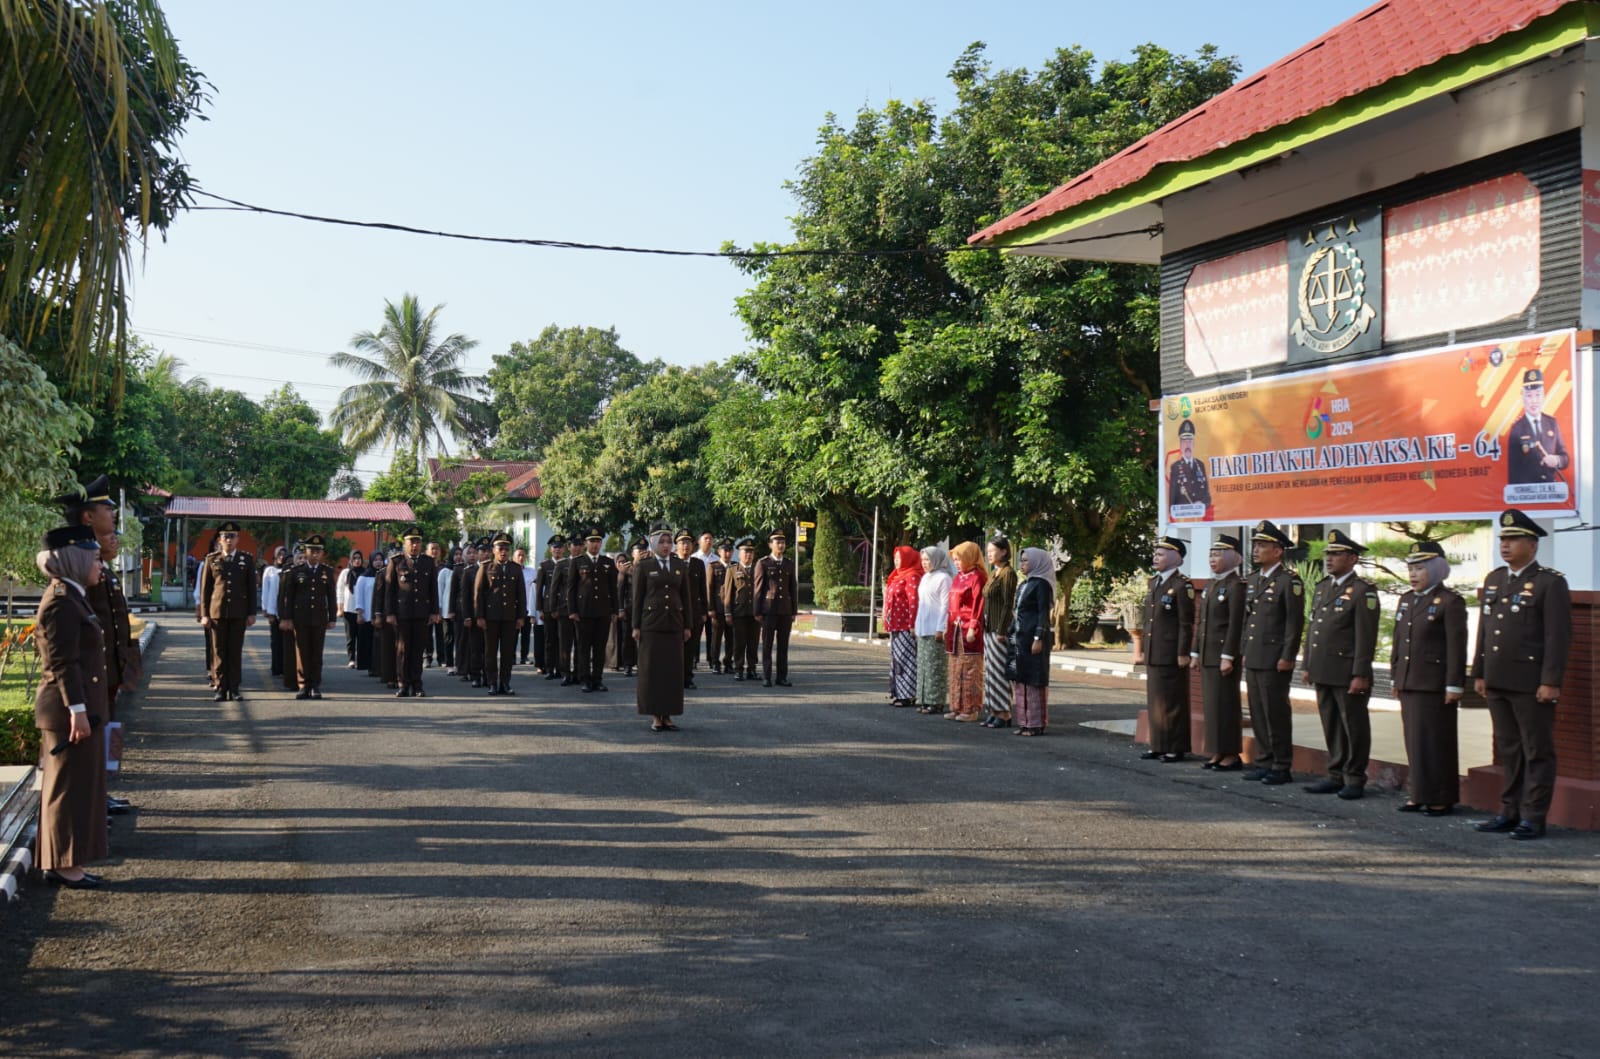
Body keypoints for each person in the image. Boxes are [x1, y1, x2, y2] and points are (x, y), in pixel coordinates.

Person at [1471, 508, 1572, 840]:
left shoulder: (1549, 583)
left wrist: (1550, 681)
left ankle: (1533, 816)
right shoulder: (1495, 579)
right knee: (1509, 748)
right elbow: (1485, 630)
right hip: (1498, 680)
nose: (1505, 545)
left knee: (1536, 749)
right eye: (1503, 539)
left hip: (1531, 684)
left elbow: (1557, 637)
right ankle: (1509, 810)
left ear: (1533, 545)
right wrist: (1480, 672)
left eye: (1513, 540)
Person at [33, 524, 110, 888]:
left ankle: (65, 859)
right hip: (68, 712)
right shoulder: (63, 601)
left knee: (76, 785)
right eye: (94, 558)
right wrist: (77, 709)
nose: (100, 566)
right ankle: (63, 864)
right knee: (67, 788)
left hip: (76, 708)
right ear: (75, 560)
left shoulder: (72, 596)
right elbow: (63, 662)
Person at [1302, 529, 1379, 799]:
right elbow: (1313, 628)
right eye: (1328, 554)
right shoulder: (1324, 587)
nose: (1329, 559)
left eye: (1336, 554)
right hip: (1324, 669)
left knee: (1353, 726)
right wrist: (1308, 664)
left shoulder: (1362, 591)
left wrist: (1360, 673)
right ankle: (1335, 774)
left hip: (1347, 672)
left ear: (1352, 558)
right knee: (1331, 724)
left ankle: (1355, 777)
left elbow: (1365, 637)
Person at [1392, 541, 1468, 816]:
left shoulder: (1449, 602)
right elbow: (1399, 641)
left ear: (1436, 570)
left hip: (1434, 684)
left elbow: (1456, 647)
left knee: (1436, 742)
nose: (1413, 575)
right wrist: (1395, 678)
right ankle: (1419, 793)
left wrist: (1454, 684)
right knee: (1414, 741)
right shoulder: (1407, 599)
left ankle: (1440, 797)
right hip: (1410, 681)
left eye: (1420, 568)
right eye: (1411, 569)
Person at [1241, 520, 1304, 785]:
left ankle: (1281, 764)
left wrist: (1288, 656)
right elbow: (1249, 620)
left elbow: (1293, 622)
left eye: (1262, 545)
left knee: (1275, 712)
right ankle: (1264, 760)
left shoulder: (1289, 581)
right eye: (1255, 544)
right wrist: (1244, 650)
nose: (1255, 550)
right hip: (1255, 656)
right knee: (1257, 711)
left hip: (1274, 658)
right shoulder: (1254, 580)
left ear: (1278, 551)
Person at [1137, 536, 1195, 761]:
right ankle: (1158, 744)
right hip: (1155, 651)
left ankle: (1175, 746)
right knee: (1156, 701)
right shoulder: (1155, 582)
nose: (1155, 558)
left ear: (1175, 557)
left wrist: (1183, 652)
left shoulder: (1182, 585)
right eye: (1156, 553)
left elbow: (1185, 622)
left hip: (1171, 653)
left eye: (1161, 554)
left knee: (1172, 701)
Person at [632, 527, 693, 731]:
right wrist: (636, 626)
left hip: (674, 623)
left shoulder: (679, 565)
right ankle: (655, 715)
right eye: (662, 542)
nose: (666, 545)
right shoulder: (644, 565)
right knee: (653, 671)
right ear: (654, 544)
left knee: (672, 672)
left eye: (668, 542)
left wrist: (687, 625)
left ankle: (668, 715)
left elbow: (686, 596)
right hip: (651, 625)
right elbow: (637, 598)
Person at [1193, 534, 1246, 770]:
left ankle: (1231, 753)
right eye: (1211, 554)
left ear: (1234, 558)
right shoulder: (1212, 585)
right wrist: (1195, 652)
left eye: (1218, 554)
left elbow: (1236, 624)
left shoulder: (1237, 586)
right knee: (1212, 707)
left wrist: (1228, 655)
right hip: (1207, 654)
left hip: (1223, 656)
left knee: (1226, 706)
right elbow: (1202, 622)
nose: (1213, 559)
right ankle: (1216, 750)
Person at [197, 522, 258, 701]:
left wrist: (251, 612)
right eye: (225, 536)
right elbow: (205, 590)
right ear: (220, 539)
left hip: (238, 612)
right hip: (217, 612)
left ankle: (234, 688)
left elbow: (251, 589)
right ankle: (221, 687)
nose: (229, 540)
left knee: (235, 651)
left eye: (232, 537)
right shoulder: (211, 559)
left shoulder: (246, 560)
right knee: (218, 651)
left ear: (238, 539)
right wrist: (204, 614)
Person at [279, 534, 338, 700]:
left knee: (316, 652)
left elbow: (331, 596)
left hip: (319, 617)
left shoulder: (326, 571)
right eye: (312, 550)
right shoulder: (296, 571)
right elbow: (288, 597)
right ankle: (303, 684)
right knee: (302, 651)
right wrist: (287, 618)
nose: (315, 554)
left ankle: (315, 685)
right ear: (305, 551)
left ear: (322, 553)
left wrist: (332, 617)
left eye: (318, 551)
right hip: (301, 617)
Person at [385, 526, 441, 697]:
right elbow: (390, 590)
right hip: (402, 613)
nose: (415, 545)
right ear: (405, 543)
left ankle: (417, 684)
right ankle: (402, 683)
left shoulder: (428, 562)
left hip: (421, 613)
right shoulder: (396, 562)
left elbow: (433, 589)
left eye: (417, 542)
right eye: (411, 542)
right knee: (402, 650)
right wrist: (390, 613)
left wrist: (434, 612)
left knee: (417, 650)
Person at [1010, 548, 1056, 736]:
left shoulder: (1042, 585)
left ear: (1037, 562)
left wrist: (1038, 638)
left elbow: (1042, 614)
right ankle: (1023, 722)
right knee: (1021, 679)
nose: (1022, 565)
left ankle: (1036, 724)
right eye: (1021, 561)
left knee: (1034, 680)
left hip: (1034, 638)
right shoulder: (1024, 585)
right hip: (1021, 638)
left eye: (1026, 561)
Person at [476, 532, 527, 694]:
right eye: (500, 548)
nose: (503, 551)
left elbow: (521, 594)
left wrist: (520, 616)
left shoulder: (516, 568)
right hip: (490, 618)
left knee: (507, 652)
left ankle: (505, 682)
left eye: (506, 548)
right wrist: (480, 616)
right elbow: (478, 594)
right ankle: (492, 682)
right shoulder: (485, 567)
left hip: (509, 618)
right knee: (490, 652)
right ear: (493, 550)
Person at [567, 528, 617, 693]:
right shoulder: (577, 561)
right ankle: (585, 679)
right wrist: (572, 610)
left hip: (603, 611)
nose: (595, 544)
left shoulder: (607, 563)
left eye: (598, 541)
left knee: (599, 648)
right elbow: (571, 589)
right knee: (583, 647)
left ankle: (598, 679)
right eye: (592, 541)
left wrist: (615, 610)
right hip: (583, 612)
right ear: (586, 543)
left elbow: (613, 589)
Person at [945, 541, 988, 723]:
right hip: (955, 630)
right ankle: (956, 707)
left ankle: (971, 709)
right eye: (954, 560)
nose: (956, 563)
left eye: (959, 559)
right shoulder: (958, 577)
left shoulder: (977, 577)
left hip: (968, 629)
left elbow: (978, 604)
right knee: (956, 668)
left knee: (970, 669)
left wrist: (973, 626)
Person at [1505, 369, 1569, 486]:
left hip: (1551, 491)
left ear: (1543, 396)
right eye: (1529, 396)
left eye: (1538, 395)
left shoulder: (1552, 423)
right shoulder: (1517, 428)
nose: (1534, 401)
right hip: (1529, 493)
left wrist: (1557, 460)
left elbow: (1565, 457)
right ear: (1523, 398)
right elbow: (1513, 470)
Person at [981, 536, 1018, 727]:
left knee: (999, 672)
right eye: (987, 551)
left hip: (998, 629)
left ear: (1004, 551)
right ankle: (993, 709)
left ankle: (1004, 712)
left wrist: (1003, 630)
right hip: (988, 627)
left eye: (992, 550)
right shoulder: (994, 573)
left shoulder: (1008, 574)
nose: (989, 554)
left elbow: (1006, 604)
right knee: (990, 672)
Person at [754, 529, 798, 688]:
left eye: (783, 542)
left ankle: (782, 677)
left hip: (785, 610)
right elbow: (758, 588)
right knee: (767, 645)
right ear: (770, 544)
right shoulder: (763, 563)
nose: (780, 545)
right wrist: (757, 610)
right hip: (768, 610)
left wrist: (794, 611)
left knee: (783, 646)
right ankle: (767, 676)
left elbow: (793, 588)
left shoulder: (789, 563)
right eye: (777, 542)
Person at [914, 545, 953, 715]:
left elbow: (946, 605)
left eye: (928, 560)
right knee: (923, 666)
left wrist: (941, 627)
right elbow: (922, 604)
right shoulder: (925, 578)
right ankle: (923, 699)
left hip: (935, 629)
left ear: (936, 560)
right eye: (922, 560)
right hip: (923, 627)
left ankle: (935, 701)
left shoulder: (944, 578)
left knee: (935, 667)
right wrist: (916, 625)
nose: (924, 563)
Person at [883, 545, 922, 707]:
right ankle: (899, 693)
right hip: (895, 625)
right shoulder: (897, 576)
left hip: (905, 624)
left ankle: (908, 695)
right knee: (897, 660)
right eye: (895, 558)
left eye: (900, 558)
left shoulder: (912, 576)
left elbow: (914, 602)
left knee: (906, 659)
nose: (897, 561)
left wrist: (912, 624)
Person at [722, 537, 759, 681]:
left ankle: (752, 669)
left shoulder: (758, 568)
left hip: (755, 613)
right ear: (739, 553)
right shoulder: (732, 569)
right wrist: (727, 612)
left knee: (753, 643)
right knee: (739, 643)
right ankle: (738, 669)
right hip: (739, 613)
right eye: (745, 552)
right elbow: (728, 593)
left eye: (751, 552)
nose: (748, 555)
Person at [675, 531, 709, 688]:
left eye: (688, 542)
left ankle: (687, 677)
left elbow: (703, 589)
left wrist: (704, 612)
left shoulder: (698, 564)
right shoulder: (672, 562)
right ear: (677, 545)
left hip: (694, 611)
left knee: (690, 647)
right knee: (675, 646)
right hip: (675, 612)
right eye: (682, 542)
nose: (685, 546)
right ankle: (675, 677)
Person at [1168, 419, 1211, 510]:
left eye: (1190, 441)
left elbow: (1207, 497)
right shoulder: (1175, 467)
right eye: (1184, 441)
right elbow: (1172, 500)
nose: (1187, 445)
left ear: (1194, 444)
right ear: (1180, 445)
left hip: (1200, 518)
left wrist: (1202, 503)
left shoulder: (1200, 465)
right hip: (1183, 519)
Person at [694, 530, 721, 670]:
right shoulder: (694, 558)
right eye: (705, 538)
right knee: (695, 631)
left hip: (712, 601)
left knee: (712, 631)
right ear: (699, 541)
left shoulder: (716, 559)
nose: (708, 541)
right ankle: (693, 658)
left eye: (711, 539)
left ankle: (712, 659)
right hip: (697, 600)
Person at [537, 536, 562, 677]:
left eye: (559, 547)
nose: (557, 550)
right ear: (550, 549)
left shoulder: (567, 564)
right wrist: (539, 609)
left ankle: (560, 668)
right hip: (547, 607)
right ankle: (549, 668)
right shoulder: (544, 566)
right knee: (549, 640)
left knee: (562, 640)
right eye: (554, 547)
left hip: (562, 607)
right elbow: (539, 588)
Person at [261, 545, 287, 679]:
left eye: (284, 554)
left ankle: (286, 667)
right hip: (273, 609)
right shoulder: (270, 571)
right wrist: (266, 609)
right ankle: (276, 668)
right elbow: (265, 590)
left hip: (286, 612)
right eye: (279, 555)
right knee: (275, 641)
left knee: (286, 642)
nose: (281, 557)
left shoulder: (289, 570)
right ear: (275, 556)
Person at [451, 542, 476, 681]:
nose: (472, 555)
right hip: (460, 609)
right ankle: (462, 669)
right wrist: (451, 611)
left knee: (474, 641)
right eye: (469, 553)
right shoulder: (459, 569)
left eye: (474, 553)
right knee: (462, 640)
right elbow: (453, 592)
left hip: (475, 609)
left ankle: (474, 669)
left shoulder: (480, 568)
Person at [337, 549, 364, 669]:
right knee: (350, 636)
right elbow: (340, 591)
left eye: (359, 558)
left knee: (361, 636)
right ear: (351, 560)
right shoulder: (345, 573)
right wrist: (340, 607)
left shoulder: (365, 573)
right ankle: (351, 659)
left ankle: (361, 660)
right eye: (355, 558)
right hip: (348, 608)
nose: (357, 561)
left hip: (362, 610)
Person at [707, 537, 731, 673]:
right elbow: (709, 588)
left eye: (729, 550)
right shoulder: (713, 566)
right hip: (718, 607)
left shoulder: (734, 566)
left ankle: (728, 662)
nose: (727, 553)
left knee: (731, 637)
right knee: (716, 637)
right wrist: (710, 608)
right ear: (719, 551)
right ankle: (715, 662)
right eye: (724, 550)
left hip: (732, 608)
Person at [353, 554, 377, 673]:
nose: (378, 562)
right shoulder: (363, 578)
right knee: (367, 642)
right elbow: (359, 597)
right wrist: (359, 613)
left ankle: (377, 665)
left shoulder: (385, 575)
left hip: (380, 615)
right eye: (375, 560)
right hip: (367, 615)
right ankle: (368, 665)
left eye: (380, 560)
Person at [425, 541, 445, 667]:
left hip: (441, 604)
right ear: (427, 551)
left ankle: (441, 658)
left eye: (436, 549)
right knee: (426, 633)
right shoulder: (423, 567)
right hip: (426, 604)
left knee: (440, 633)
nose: (434, 551)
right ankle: (427, 656)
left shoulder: (443, 567)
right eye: (432, 549)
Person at [437, 547, 457, 673]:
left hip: (460, 611)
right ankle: (449, 664)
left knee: (460, 639)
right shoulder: (445, 572)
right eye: (456, 554)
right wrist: (439, 609)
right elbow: (439, 591)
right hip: (446, 611)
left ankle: (461, 664)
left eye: (461, 554)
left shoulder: (464, 570)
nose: (458, 557)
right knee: (448, 638)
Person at [515, 546, 536, 665]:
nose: (521, 558)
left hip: (527, 608)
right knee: (513, 635)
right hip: (514, 609)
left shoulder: (532, 572)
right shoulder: (511, 571)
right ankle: (511, 657)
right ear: (514, 557)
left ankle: (524, 656)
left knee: (526, 635)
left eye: (523, 555)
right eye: (519, 555)